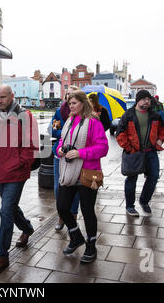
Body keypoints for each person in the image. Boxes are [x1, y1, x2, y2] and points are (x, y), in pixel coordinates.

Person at [0, 84, 39, 275]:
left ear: (12, 96)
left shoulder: (25, 116)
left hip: (16, 173)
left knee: (5, 210)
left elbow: (31, 145)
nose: (0, 101)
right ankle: (27, 228)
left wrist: (21, 163)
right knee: (11, 207)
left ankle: (1, 256)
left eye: (3, 97)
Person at [56, 90, 109, 263]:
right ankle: (76, 236)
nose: (70, 106)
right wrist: (60, 150)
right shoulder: (69, 121)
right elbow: (61, 143)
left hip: (88, 173)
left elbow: (103, 148)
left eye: (74, 103)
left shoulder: (93, 122)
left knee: (87, 211)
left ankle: (91, 246)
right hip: (68, 172)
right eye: (69, 104)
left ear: (83, 103)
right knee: (62, 207)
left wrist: (80, 153)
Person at [116, 90, 164, 216]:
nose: (147, 101)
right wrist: (128, 148)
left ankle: (144, 201)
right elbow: (120, 133)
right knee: (131, 178)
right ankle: (129, 206)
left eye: (149, 99)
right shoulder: (128, 115)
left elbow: (163, 129)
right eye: (144, 99)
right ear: (138, 100)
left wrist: (160, 140)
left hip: (151, 151)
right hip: (134, 152)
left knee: (154, 177)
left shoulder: (155, 115)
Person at [50, 86, 80, 231]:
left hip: (76, 156)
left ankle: (73, 216)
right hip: (59, 154)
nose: (69, 98)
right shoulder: (59, 111)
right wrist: (66, 132)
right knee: (58, 187)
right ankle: (62, 216)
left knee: (73, 187)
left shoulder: (84, 116)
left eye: (72, 95)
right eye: (67, 95)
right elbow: (53, 131)